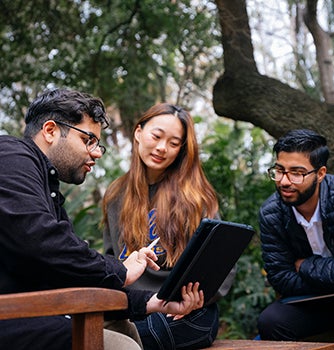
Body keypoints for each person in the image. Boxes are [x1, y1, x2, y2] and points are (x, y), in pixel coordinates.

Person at [0, 89, 204, 350]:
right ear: (50, 130)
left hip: (39, 309)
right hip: (14, 313)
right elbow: (41, 241)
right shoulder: (10, 156)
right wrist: (121, 270)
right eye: (88, 140)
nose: (96, 153)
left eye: (97, 143)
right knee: (122, 346)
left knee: (124, 327)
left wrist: (153, 301)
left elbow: (69, 270)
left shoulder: (47, 187)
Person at [102, 102, 234, 350]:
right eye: (156, 136)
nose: (162, 148)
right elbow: (112, 264)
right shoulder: (115, 195)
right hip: (136, 308)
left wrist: (194, 299)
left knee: (134, 337)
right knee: (85, 332)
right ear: (138, 133)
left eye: (174, 143)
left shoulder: (195, 198)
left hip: (188, 312)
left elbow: (222, 265)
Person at [257, 129, 334, 341]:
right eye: (279, 170)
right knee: (271, 321)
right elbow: (281, 278)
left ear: (320, 173)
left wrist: (306, 266)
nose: (284, 181)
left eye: (297, 173)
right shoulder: (272, 213)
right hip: (311, 301)